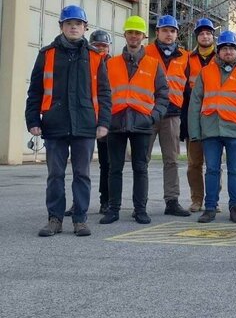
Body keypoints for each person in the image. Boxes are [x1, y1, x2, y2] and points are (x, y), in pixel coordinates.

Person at [26, 5, 112, 237]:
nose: (73, 27)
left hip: (85, 124)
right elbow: (35, 91)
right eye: (69, 23)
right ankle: (54, 219)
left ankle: (80, 220)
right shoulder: (47, 54)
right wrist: (32, 120)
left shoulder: (95, 57)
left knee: (82, 174)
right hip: (54, 124)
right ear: (61, 26)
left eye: (78, 24)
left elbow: (104, 93)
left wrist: (104, 122)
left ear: (85, 28)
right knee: (55, 174)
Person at [101, 16, 168, 225]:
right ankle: (113, 209)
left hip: (142, 123)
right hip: (116, 121)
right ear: (125, 35)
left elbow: (163, 95)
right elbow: (101, 93)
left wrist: (153, 117)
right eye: (130, 32)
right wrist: (104, 119)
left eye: (137, 33)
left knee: (140, 168)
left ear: (143, 36)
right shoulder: (110, 63)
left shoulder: (153, 64)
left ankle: (140, 210)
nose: (133, 36)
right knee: (114, 168)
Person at [189, 31, 236, 223]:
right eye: (224, 49)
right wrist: (195, 131)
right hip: (210, 130)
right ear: (218, 51)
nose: (228, 52)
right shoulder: (206, 72)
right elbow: (195, 103)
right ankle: (210, 208)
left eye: (231, 48)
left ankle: (235, 208)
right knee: (212, 170)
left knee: (235, 171)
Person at [144, 14, 191, 217]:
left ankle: (172, 201)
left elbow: (187, 88)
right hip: (148, 112)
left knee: (171, 160)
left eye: (172, 31)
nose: (168, 34)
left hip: (172, 114)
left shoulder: (184, 56)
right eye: (165, 30)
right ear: (157, 32)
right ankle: (140, 203)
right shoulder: (146, 52)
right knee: (142, 159)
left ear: (177, 34)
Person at [64, 29, 114, 216]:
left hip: (105, 120)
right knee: (80, 166)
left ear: (109, 48)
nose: (100, 48)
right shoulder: (84, 62)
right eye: (97, 45)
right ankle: (77, 203)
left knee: (106, 164)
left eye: (104, 45)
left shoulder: (114, 65)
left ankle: (105, 201)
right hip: (86, 119)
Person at [181, 18, 216, 213]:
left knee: (213, 164)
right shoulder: (187, 59)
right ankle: (196, 199)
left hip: (215, 117)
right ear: (197, 37)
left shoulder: (221, 57)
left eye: (208, 33)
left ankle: (213, 200)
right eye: (201, 33)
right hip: (193, 117)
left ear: (213, 36)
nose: (205, 36)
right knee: (194, 163)